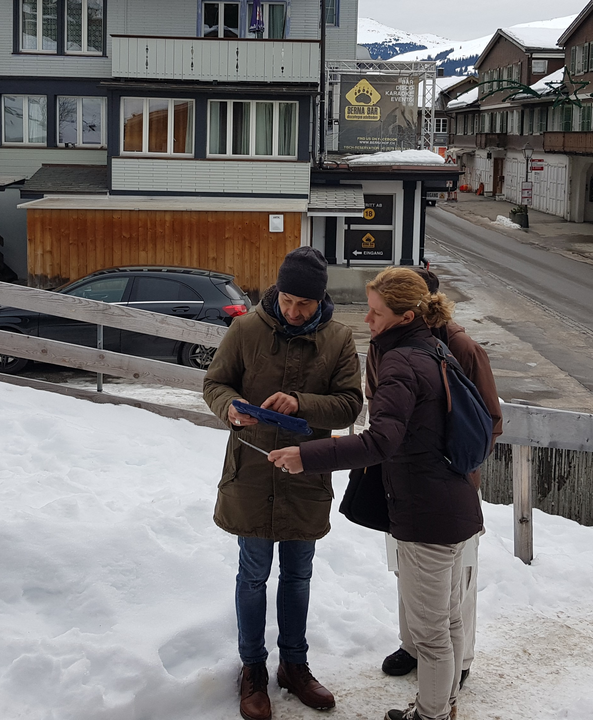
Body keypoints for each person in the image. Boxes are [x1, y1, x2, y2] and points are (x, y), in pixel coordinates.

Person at [270, 267, 484, 720]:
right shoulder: (434, 346)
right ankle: (442, 707)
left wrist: (306, 456)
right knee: (447, 622)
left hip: (426, 515)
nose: (366, 321)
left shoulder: (402, 362)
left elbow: (380, 440)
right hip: (455, 502)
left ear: (404, 316)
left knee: (430, 635)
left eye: (375, 312)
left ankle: (431, 715)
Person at [203, 247, 364, 720]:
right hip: (252, 472)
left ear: (321, 301)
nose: (294, 312)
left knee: (298, 575)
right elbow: (215, 384)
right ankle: (253, 669)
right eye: (289, 300)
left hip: (305, 475)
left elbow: (350, 404)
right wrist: (230, 407)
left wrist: (302, 403)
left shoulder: (338, 340)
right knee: (253, 575)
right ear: (278, 291)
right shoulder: (246, 329)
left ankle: (295, 665)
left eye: (305, 305)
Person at [381, 267, 503, 689]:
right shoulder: (387, 346)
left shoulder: (462, 348)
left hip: (450, 487)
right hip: (401, 481)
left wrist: (451, 463)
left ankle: (460, 656)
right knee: (408, 568)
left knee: (457, 582)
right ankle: (413, 644)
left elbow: (490, 422)